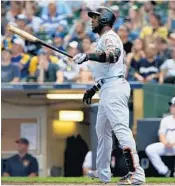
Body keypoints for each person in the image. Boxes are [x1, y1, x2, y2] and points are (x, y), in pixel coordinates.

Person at [73, 6, 145, 185]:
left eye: (95, 17)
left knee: (120, 130)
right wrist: (93, 89)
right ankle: (104, 173)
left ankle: (136, 173)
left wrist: (88, 56)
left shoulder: (110, 37)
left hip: (114, 89)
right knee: (102, 131)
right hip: (108, 87)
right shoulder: (104, 39)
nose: (92, 20)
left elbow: (113, 56)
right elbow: (108, 73)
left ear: (104, 19)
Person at [145, 97, 175, 177]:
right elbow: (161, 134)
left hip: (174, 145)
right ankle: (165, 172)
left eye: (174, 106)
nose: (172, 107)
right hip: (167, 145)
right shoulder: (165, 120)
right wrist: (165, 143)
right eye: (171, 105)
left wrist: (172, 143)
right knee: (150, 149)